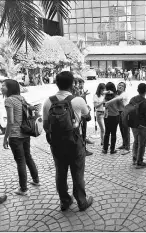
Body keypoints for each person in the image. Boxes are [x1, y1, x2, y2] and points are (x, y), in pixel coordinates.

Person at [42, 71, 93, 211]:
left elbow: (46, 127)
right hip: (74, 142)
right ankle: (82, 202)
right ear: (72, 84)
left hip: (57, 143)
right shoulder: (78, 100)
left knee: (60, 172)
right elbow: (88, 117)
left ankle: (65, 201)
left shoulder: (48, 101)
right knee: (77, 173)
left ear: (56, 83)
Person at [2, 79, 40, 196]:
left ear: (10, 88)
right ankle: (36, 180)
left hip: (15, 135)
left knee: (20, 161)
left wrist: (5, 138)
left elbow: (10, 121)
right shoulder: (21, 98)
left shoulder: (9, 100)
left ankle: (23, 189)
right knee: (27, 156)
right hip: (25, 132)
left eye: (4, 85)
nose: (2, 87)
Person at [129, 83, 146, 168]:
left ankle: (134, 158)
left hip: (133, 125)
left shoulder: (132, 99)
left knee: (136, 141)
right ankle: (139, 162)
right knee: (142, 144)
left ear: (137, 90)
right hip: (143, 126)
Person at [102, 82, 120, 154]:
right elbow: (120, 106)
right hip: (115, 116)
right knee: (113, 133)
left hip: (107, 116)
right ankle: (112, 150)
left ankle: (105, 149)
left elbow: (104, 105)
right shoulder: (116, 96)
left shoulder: (106, 96)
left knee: (107, 132)